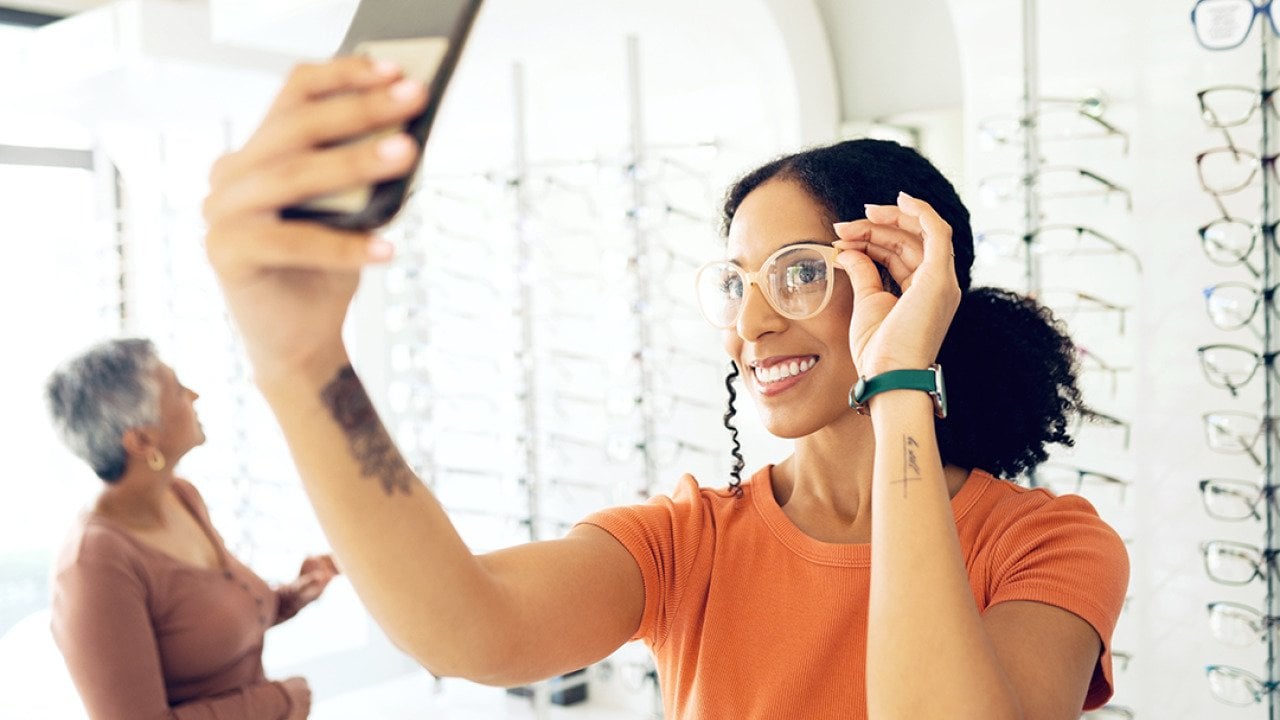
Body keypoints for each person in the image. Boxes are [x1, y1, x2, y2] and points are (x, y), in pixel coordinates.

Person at [201, 56, 1129, 719]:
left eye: (801, 273)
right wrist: (304, 364)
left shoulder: (1049, 548)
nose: (753, 323)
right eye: (737, 284)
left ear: (906, 279)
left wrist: (897, 380)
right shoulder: (691, 543)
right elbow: (465, 627)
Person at [44, 338, 340, 719]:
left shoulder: (181, 496)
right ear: (141, 440)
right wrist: (281, 701)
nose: (195, 395)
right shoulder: (93, 567)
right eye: (178, 391)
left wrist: (289, 598)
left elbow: (199, 625)